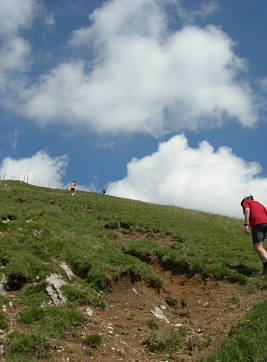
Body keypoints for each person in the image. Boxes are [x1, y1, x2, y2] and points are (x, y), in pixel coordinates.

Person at [241, 195, 267, 275]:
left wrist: (246, 224)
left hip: (257, 224)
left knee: (257, 247)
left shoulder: (246, 202)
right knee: (259, 248)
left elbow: (247, 210)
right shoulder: (259, 204)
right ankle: (265, 270)